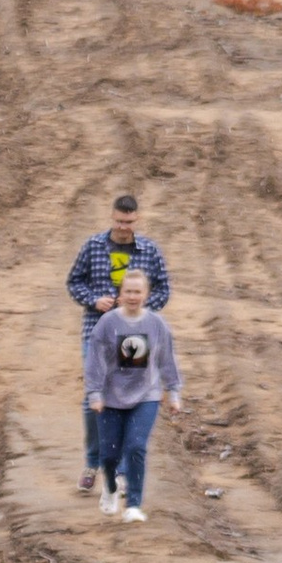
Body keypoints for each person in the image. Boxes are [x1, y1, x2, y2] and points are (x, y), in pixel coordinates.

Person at [64, 194, 170, 497]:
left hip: (134, 337)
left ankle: (122, 471)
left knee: (130, 399)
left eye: (129, 222)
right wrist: (93, 300)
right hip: (95, 332)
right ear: (112, 218)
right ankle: (92, 463)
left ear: (137, 219)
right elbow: (74, 282)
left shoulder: (149, 250)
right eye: (119, 221)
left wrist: (142, 305)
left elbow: (163, 288)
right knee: (92, 400)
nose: (124, 227)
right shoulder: (93, 246)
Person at [81, 268, 184, 521]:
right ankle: (111, 488)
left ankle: (134, 505)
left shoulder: (156, 324)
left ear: (146, 294)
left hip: (146, 395)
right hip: (111, 395)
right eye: (128, 291)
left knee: (137, 446)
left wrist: (173, 391)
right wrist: (94, 392)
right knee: (109, 455)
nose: (133, 296)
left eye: (138, 292)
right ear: (120, 294)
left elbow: (166, 358)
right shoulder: (108, 323)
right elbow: (94, 359)